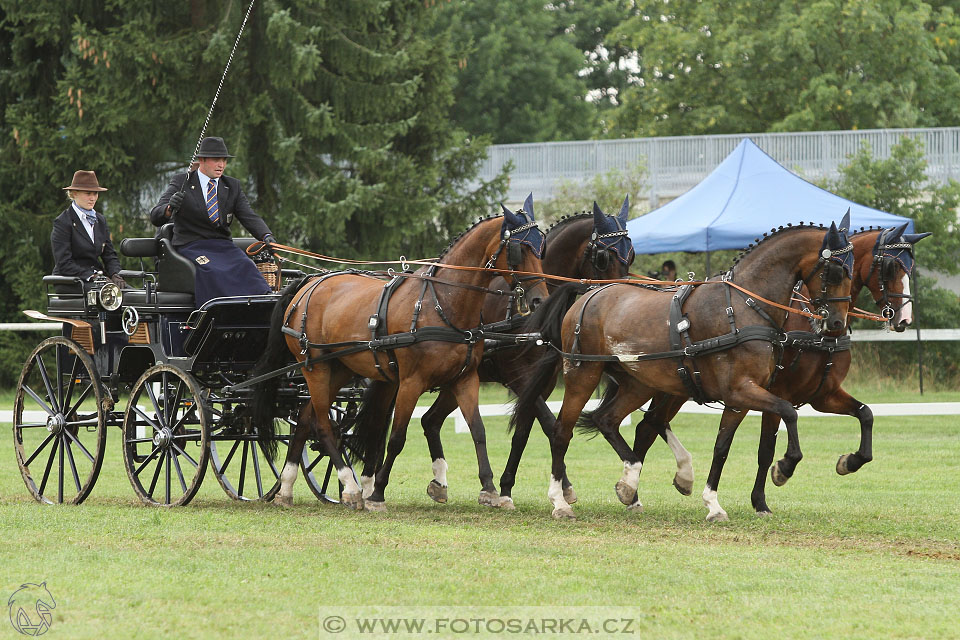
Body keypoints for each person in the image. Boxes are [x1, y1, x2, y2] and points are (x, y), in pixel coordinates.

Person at [149, 136, 276, 305]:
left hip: (223, 246)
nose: (221, 165)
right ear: (202, 160)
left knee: (247, 267)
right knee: (213, 270)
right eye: (216, 160)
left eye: (224, 160)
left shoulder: (232, 186)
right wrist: (169, 208)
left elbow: (248, 216)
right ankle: (215, 314)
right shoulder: (182, 181)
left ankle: (259, 309)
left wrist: (266, 235)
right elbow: (156, 216)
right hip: (192, 245)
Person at [51, 170, 126, 290]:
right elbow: (64, 263)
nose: (93, 198)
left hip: (99, 280)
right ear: (74, 194)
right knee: (108, 294)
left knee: (135, 296)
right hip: (71, 281)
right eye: (88, 193)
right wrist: (92, 276)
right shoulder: (63, 222)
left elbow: (109, 255)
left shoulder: (100, 220)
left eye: (95, 194)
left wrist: (115, 274)